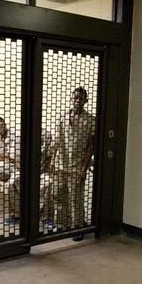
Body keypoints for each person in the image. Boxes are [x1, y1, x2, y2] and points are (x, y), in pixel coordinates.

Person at [50, 87, 96, 241]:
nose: (78, 101)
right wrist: (51, 161)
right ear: (71, 99)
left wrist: (84, 168)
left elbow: (91, 146)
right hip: (60, 165)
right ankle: (62, 224)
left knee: (75, 198)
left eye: (81, 99)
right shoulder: (63, 116)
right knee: (58, 195)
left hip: (77, 166)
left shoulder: (90, 120)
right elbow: (57, 139)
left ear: (86, 101)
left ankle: (77, 227)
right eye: (75, 98)